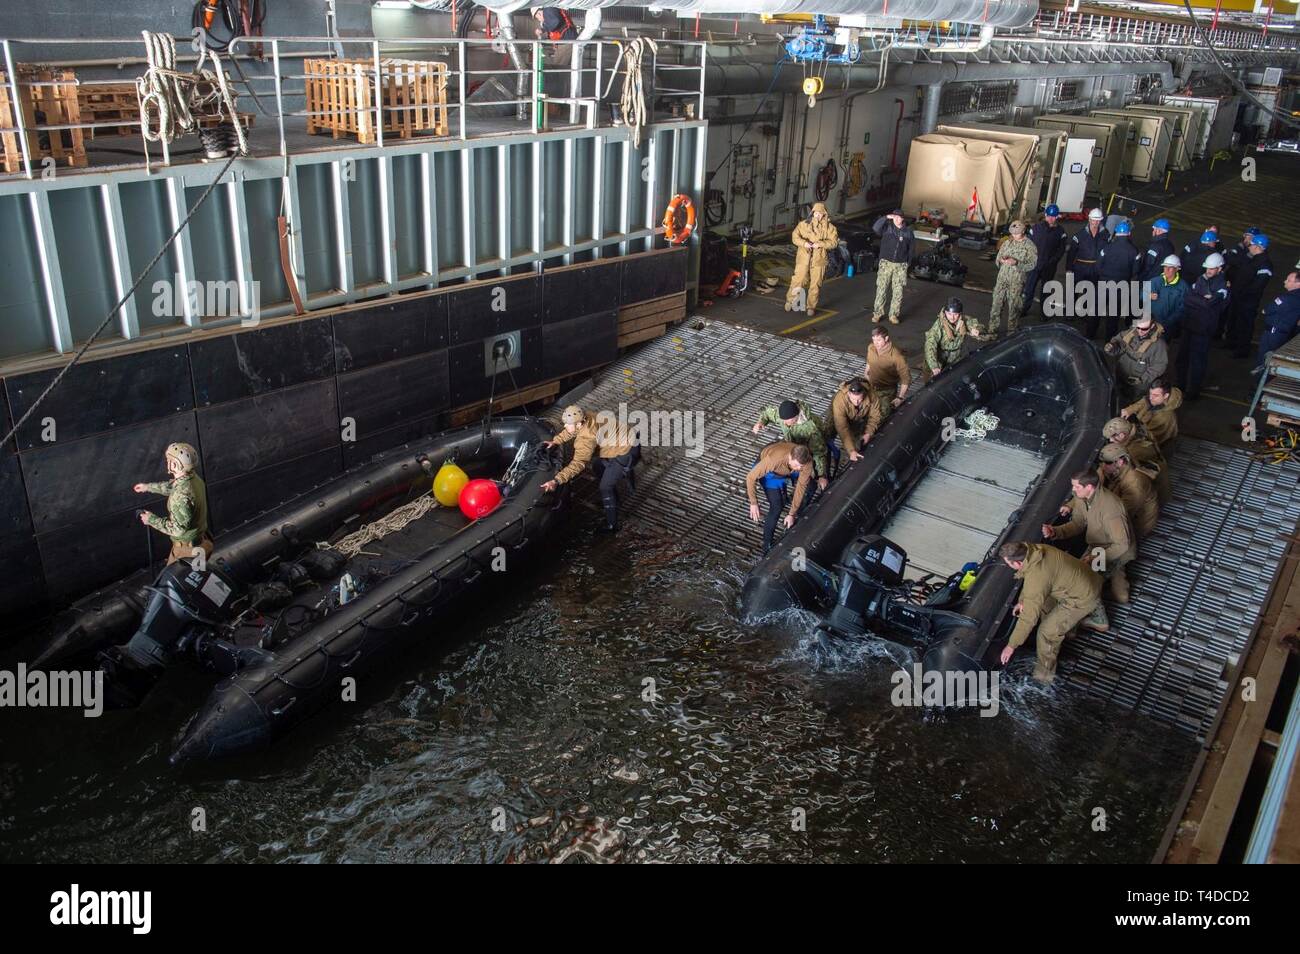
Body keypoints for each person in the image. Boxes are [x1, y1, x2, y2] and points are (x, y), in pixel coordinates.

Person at [997, 540, 1108, 685]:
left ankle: (1044, 677)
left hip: (1082, 598)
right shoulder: (1037, 549)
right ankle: (1068, 629)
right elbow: (1031, 579)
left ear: (1017, 564)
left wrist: (1011, 645)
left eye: (1009, 564)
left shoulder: (1037, 577)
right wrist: (1023, 599)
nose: (1009, 566)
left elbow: (1029, 618)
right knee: (1045, 605)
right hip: (1084, 581)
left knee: (1046, 633)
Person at [542, 404, 640, 532]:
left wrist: (556, 480)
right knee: (598, 466)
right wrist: (556, 441)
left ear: (578, 424)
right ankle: (614, 496)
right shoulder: (585, 416)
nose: (564, 426)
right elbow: (572, 430)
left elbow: (578, 463)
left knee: (605, 486)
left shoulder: (586, 438)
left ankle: (612, 525)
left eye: (567, 424)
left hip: (625, 451)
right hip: (626, 439)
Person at [1043, 469, 1136, 603]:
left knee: (1084, 577)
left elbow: (1122, 545)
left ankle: (1098, 618)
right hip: (1100, 543)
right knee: (1112, 576)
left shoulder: (1111, 509)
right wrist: (1055, 531)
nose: (1073, 490)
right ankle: (1119, 591)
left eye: (1077, 486)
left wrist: (1093, 557)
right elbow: (1078, 524)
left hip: (1117, 549)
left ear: (1089, 487)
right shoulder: (1082, 498)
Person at [133, 442, 214, 565]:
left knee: (179, 581)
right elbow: (174, 487)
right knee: (197, 576)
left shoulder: (181, 495)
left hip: (187, 551)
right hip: (201, 542)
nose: (167, 462)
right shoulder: (194, 479)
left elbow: (177, 530)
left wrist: (151, 519)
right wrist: (148, 487)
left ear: (174, 464)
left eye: (169, 460)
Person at [1175, 252, 1230, 401]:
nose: (1208, 271)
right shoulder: (1201, 279)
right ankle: (1179, 386)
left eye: (1212, 269)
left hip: (1203, 329)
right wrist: (1203, 299)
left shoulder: (1222, 286)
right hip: (1190, 325)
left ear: (1220, 268)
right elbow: (1188, 298)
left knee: (1197, 362)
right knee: (1182, 358)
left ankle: (1193, 392)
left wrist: (1198, 300)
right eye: (1207, 268)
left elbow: (1209, 304)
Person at [745, 442, 814, 554]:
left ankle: (799, 513)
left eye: (800, 466)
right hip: (771, 472)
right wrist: (753, 503)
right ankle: (766, 545)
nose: (798, 468)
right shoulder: (773, 460)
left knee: (812, 486)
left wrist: (792, 513)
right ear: (790, 457)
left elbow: (800, 488)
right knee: (777, 507)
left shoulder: (806, 463)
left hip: (787, 470)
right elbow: (750, 477)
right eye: (796, 465)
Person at [752, 398, 830, 489]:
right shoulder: (785, 417)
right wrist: (761, 422)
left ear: (796, 417)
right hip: (792, 447)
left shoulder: (811, 428)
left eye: (787, 421)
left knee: (809, 483)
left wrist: (822, 475)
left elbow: (819, 453)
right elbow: (767, 413)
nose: (783, 423)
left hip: (808, 451)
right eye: (782, 420)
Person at [784, 202, 840, 316]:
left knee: (816, 283)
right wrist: (804, 244)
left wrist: (820, 244)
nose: (818, 215)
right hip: (803, 257)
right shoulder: (803, 225)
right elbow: (795, 237)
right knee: (798, 280)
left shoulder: (830, 228)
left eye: (820, 213)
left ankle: (811, 306)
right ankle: (790, 300)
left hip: (819, 259)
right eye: (816, 213)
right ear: (812, 213)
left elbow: (834, 242)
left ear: (824, 214)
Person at [1226, 232, 1274, 358]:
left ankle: (1242, 350)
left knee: (1245, 325)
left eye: (1251, 245)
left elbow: (1257, 286)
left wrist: (1240, 292)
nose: (1249, 247)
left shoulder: (1265, 265)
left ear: (1258, 247)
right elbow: (1239, 269)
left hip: (1248, 301)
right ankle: (1231, 343)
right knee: (1233, 320)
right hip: (1238, 296)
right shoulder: (1251, 258)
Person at [987, 220, 1038, 337]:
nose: (1014, 235)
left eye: (1017, 233)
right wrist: (1000, 260)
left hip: (1016, 282)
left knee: (1014, 308)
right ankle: (992, 331)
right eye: (1013, 233)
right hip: (1002, 280)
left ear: (1023, 231)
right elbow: (998, 257)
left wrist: (1017, 263)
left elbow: (1033, 264)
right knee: (996, 305)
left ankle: (1011, 334)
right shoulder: (1007, 242)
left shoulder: (1029, 246)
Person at [1105, 314, 1169, 406]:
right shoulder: (1130, 333)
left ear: (1152, 326)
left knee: (1135, 403)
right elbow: (1119, 343)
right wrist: (1112, 347)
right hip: (1121, 374)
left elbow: (1159, 366)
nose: (1140, 331)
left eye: (1144, 329)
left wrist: (1142, 379)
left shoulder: (1159, 345)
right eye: (1138, 327)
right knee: (1118, 397)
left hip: (1139, 385)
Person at [1098, 443, 1159, 540]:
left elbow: (1123, 513)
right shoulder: (1116, 468)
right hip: (1125, 505)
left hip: (1138, 521)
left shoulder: (1135, 483)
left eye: (1107, 463)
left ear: (1120, 462)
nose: (1102, 466)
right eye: (1101, 462)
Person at [1103, 416, 1169, 503]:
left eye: (1112, 437)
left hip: (1153, 487)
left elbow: (1123, 470)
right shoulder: (1139, 430)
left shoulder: (1135, 451)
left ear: (1122, 435)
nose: (1111, 440)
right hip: (1156, 475)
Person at [1065, 208, 1109, 336]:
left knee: (1090, 292)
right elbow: (1071, 253)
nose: (1095, 223)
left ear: (1101, 221)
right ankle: (1069, 313)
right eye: (1093, 220)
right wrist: (1068, 269)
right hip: (1080, 267)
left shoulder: (1106, 235)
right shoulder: (1079, 236)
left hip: (1096, 269)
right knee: (1073, 290)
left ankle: (1084, 313)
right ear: (1089, 219)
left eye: (1097, 220)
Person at [1097, 220, 1142, 340]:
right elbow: (1135, 271)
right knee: (1113, 315)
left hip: (1104, 283)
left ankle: (1090, 333)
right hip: (1120, 286)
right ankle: (1109, 338)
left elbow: (1098, 266)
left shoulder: (1107, 248)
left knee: (1096, 310)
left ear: (1116, 233)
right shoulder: (1134, 251)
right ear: (1128, 234)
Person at [871, 208, 914, 325]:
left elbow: (911, 250)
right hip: (886, 264)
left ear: (903, 218)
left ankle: (893, 315)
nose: (897, 219)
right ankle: (877, 313)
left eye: (899, 217)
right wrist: (885, 217)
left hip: (900, 266)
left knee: (898, 292)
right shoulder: (887, 228)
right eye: (895, 217)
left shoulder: (908, 232)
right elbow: (875, 228)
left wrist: (907, 264)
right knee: (881, 289)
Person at [1024, 203, 1067, 317]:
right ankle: (1024, 309)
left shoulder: (1061, 232)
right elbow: (1028, 244)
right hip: (1034, 265)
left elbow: (1061, 250)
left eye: (1053, 216)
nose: (1051, 219)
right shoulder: (1036, 229)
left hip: (1049, 267)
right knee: (1029, 289)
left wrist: (1052, 261)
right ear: (1045, 215)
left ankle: (1044, 313)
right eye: (1049, 216)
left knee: (1046, 290)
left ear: (1057, 217)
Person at [826, 378, 882, 464]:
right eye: (853, 399)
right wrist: (851, 450)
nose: (856, 402)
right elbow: (843, 428)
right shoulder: (839, 401)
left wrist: (868, 433)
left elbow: (875, 417)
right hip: (838, 413)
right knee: (828, 432)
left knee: (855, 438)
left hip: (857, 416)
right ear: (848, 394)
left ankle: (846, 458)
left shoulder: (872, 397)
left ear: (863, 393)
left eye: (859, 399)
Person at [923, 297, 981, 378]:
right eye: (949, 314)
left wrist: (975, 329)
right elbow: (930, 345)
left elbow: (972, 323)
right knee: (931, 379)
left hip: (955, 358)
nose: (952, 317)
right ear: (945, 312)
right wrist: (934, 366)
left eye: (955, 314)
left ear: (960, 314)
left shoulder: (962, 321)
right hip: (938, 357)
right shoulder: (939, 325)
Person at [1255, 269, 1300, 374]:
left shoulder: (1287, 298)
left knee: (1264, 359)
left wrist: (1265, 310)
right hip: (1285, 333)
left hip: (1273, 334)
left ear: (1298, 284)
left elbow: (1267, 310)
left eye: (1289, 280)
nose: (1285, 281)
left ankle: (1258, 385)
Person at [1122, 378, 1183, 453]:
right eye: (1150, 393)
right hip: (1143, 430)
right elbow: (1145, 401)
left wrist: (1126, 435)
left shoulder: (1165, 417)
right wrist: (1130, 409)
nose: (1151, 397)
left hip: (1156, 445)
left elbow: (1148, 437)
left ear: (1166, 396)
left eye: (1155, 395)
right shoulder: (1156, 400)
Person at [864, 325, 911, 417]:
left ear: (886, 338)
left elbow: (906, 379)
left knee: (882, 414)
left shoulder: (897, 356)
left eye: (879, 340)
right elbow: (869, 361)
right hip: (871, 387)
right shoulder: (871, 348)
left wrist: (900, 397)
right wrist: (866, 372)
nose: (875, 343)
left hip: (887, 391)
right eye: (873, 339)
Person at [1148, 254, 1187, 340]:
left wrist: (1165, 324)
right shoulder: (1154, 281)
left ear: (1177, 269)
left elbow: (1182, 309)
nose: (1167, 270)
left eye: (1170, 267)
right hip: (1150, 322)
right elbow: (1140, 295)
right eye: (1165, 267)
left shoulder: (1183, 287)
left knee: (1161, 347)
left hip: (1167, 326)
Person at [1140, 217, 1176, 283]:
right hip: (1160, 278)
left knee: (1142, 292)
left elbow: (1148, 264)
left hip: (1148, 278)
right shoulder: (1170, 246)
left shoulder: (1155, 246)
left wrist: (1141, 276)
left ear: (1158, 230)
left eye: (1154, 229)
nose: (1153, 231)